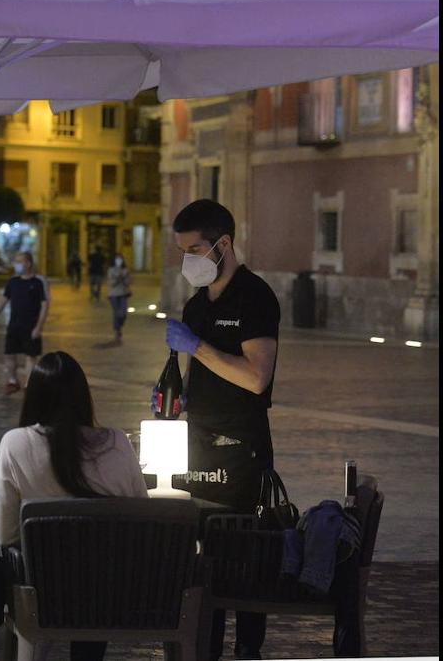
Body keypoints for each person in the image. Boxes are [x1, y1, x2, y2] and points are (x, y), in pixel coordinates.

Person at [166, 199, 280, 661]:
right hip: (199, 446)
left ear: (223, 244)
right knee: (204, 554)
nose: (187, 260)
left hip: (242, 449)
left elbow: (256, 377)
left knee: (245, 552)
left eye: (195, 249)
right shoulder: (197, 304)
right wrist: (177, 395)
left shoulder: (255, 297)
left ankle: (248, 649)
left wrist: (198, 346)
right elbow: (199, 378)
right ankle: (205, 647)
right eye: (182, 251)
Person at [0, 351, 147, 661]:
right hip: (111, 595)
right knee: (97, 574)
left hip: (43, 594)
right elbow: (142, 517)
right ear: (83, 396)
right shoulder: (117, 442)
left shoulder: (16, 443)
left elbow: (5, 532)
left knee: (22, 567)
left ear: (33, 397)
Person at [0, 251, 49, 396]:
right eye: (15, 261)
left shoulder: (38, 282)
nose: (16, 264)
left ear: (28, 263)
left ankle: (29, 384)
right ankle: (12, 381)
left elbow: (44, 305)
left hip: (31, 326)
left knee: (31, 356)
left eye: (19, 261)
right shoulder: (13, 282)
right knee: (9, 354)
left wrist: (39, 327)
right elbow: (3, 300)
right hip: (14, 326)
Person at [107, 252, 132, 344]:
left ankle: (119, 326)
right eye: (117, 259)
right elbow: (111, 283)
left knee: (123, 313)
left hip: (123, 294)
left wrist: (125, 278)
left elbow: (129, 282)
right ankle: (117, 330)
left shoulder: (125, 270)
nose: (119, 261)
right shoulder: (111, 270)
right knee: (116, 313)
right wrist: (118, 278)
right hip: (113, 294)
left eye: (120, 259)